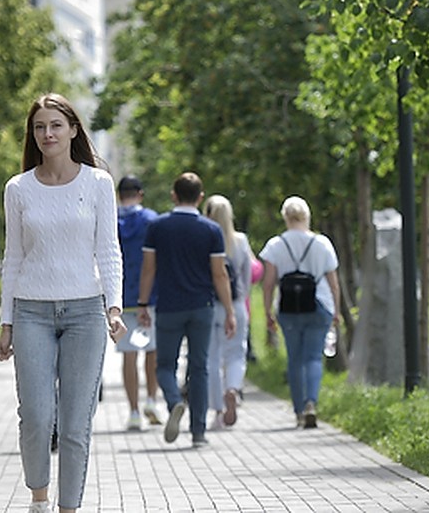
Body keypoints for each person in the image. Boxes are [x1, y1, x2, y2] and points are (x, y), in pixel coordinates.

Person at [0, 93, 126, 513]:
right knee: (35, 415)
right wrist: (7, 322)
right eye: (39, 127)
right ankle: (39, 498)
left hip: (86, 312)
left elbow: (109, 250)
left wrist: (114, 307)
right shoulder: (18, 188)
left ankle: (69, 508)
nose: (47, 134)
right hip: (32, 311)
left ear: (72, 130)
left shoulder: (99, 183)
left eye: (55, 125)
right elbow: (13, 257)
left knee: (74, 424)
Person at [136, 172, 236, 448]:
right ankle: (199, 432)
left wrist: (143, 303)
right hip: (202, 307)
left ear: (173, 195)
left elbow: (149, 269)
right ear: (200, 197)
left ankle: (174, 401)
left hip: (168, 306)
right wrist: (229, 311)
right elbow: (219, 275)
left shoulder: (157, 227)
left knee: (165, 365)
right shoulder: (211, 230)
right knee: (199, 367)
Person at [259, 195, 341, 429]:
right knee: (314, 357)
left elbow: (268, 283)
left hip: (288, 308)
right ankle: (311, 404)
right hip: (319, 305)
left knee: (294, 359)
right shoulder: (322, 243)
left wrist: (267, 312)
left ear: (285, 217)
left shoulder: (276, 245)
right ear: (307, 216)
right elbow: (334, 283)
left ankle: (297, 413)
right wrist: (335, 310)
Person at [202, 194, 254, 429]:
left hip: (210, 306)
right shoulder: (240, 241)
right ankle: (232, 388)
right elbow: (246, 277)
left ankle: (218, 411)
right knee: (236, 354)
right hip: (236, 304)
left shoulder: (203, 239)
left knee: (212, 359)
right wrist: (241, 302)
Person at [115, 175, 162, 431]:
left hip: (122, 297)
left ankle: (133, 411)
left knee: (129, 354)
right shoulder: (152, 220)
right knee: (151, 350)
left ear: (119, 194)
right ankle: (152, 400)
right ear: (140, 194)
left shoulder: (112, 220)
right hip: (150, 295)